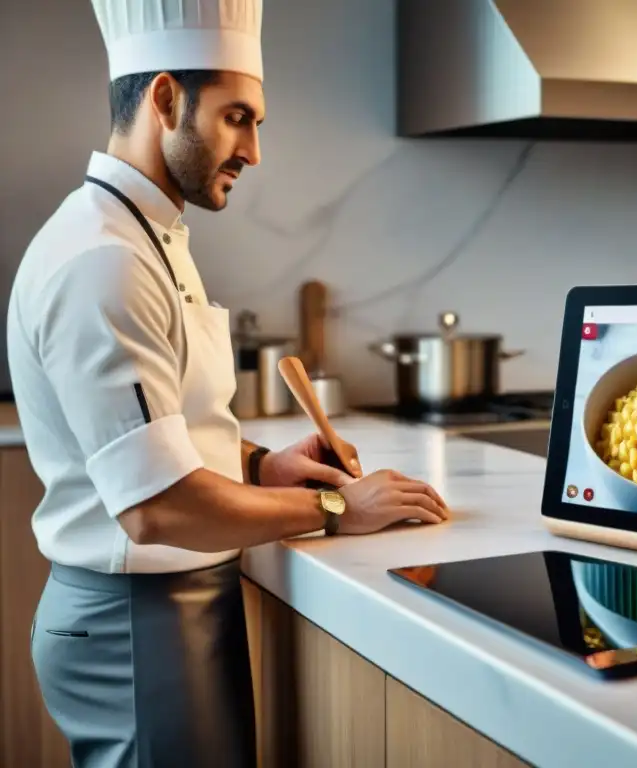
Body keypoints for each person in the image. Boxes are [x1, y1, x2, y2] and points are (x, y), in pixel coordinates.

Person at [6, 1, 448, 765]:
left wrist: (256, 466)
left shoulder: (147, 234)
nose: (253, 150)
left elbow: (161, 430)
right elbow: (155, 507)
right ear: (166, 99)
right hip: (134, 627)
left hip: (165, 614)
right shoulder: (103, 259)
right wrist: (337, 508)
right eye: (238, 117)